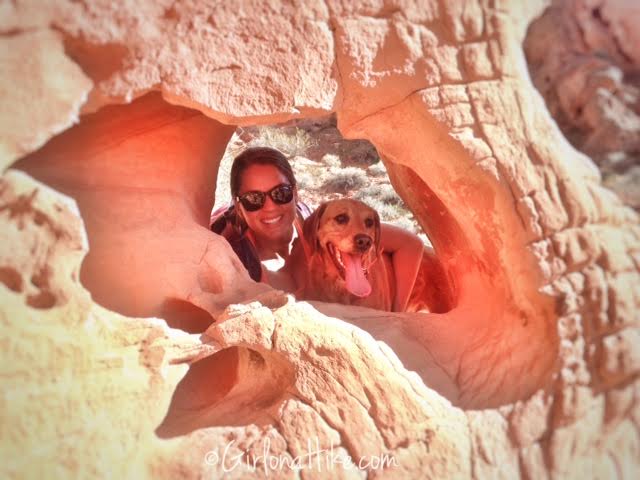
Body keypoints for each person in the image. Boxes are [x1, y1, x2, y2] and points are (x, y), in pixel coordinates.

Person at [211, 146, 424, 312]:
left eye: (281, 193)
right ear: (239, 206)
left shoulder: (317, 223)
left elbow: (410, 244)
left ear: (295, 193)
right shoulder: (244, 267)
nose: (270, 207)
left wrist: (397, 312)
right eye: (254, 199)